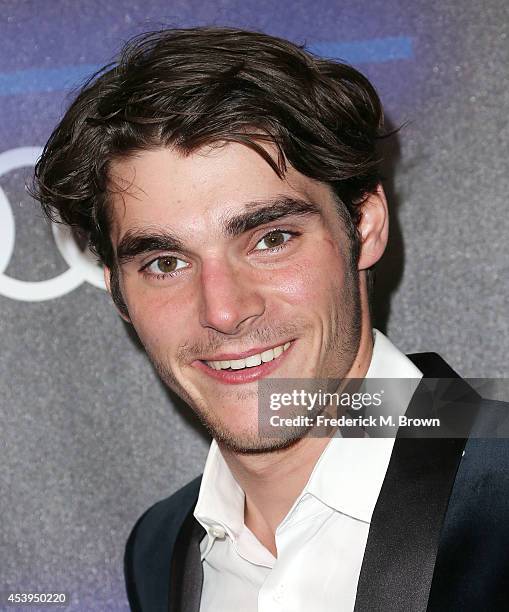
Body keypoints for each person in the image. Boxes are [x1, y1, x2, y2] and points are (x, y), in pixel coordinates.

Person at [32, 26, 509, 612]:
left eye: (271, 238)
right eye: (165, 262)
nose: (224, 310)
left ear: (364, 225)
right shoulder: (160, 549)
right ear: (118, 291)